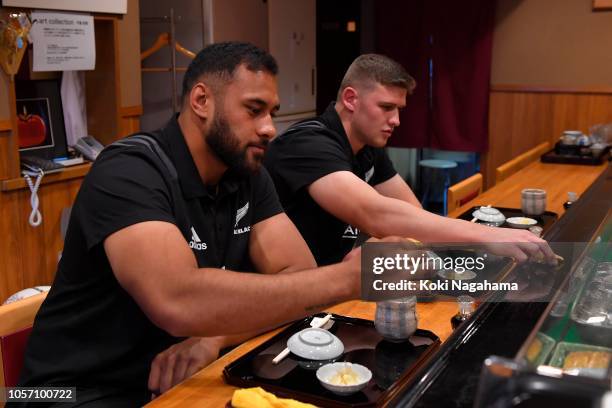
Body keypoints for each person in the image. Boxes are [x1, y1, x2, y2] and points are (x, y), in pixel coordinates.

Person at [13, 42, 365, 407]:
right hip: (67, 392)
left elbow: (297, 276)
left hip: (173, 384)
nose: (269, 128)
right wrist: (347, 279)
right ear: (201, 101)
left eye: (271, 112)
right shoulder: (128, 171)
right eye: (254, 110)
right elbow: (176, 298)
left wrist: (213, 338)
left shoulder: (245, 173)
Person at [264, 53, 554, 266]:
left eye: (399, 109)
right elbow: (376, 215)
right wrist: (486, 236)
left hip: (338, 278)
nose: (396, 120)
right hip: (296, 292)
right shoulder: (306, 143)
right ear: (351, 99)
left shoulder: (367, 145)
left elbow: (411, 214)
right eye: (387, 107)